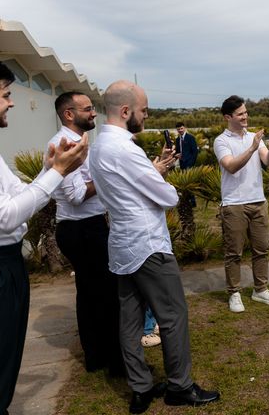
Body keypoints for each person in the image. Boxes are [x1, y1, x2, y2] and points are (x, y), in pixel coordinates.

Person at [89, 80, 219, 414]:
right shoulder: (125, 149)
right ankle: (180, 386)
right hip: (147, 244)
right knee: (173, 314)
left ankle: (140, 388)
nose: (146, 117)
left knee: (129, 321)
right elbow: (168, 197)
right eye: (144, 111)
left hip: (120, 243)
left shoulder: (98, 146)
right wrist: (159, 176)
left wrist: (152, 169)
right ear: (126, 111)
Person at [0, 62, 88, 414]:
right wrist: (56, 174)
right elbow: (7, 215)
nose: (11, 103)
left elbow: (21, 194)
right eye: (5, 95)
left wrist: (48, 172)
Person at [49, 91, 124, 376]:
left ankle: (98, 356)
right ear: (70, 114)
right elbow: (77, 195)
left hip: (90, 226)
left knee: (92, 294)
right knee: (103, 293)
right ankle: (112, 361)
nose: (94, 113)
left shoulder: (82, 144)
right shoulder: (63, 145)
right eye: (88, 109)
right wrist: (104, 179)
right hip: (80, 229)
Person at [213, 95, 269, 313]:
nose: (245, 116)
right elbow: (231, 166)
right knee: (234, 253)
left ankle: (260, 290)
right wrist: (252, 148)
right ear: (228, 117)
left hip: (258, 202)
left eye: (246, 112)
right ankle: (234, 293)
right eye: (240, 114)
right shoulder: (221, 141)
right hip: (234, 204)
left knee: (261, 250)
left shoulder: (255, 137)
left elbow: (267, 162)